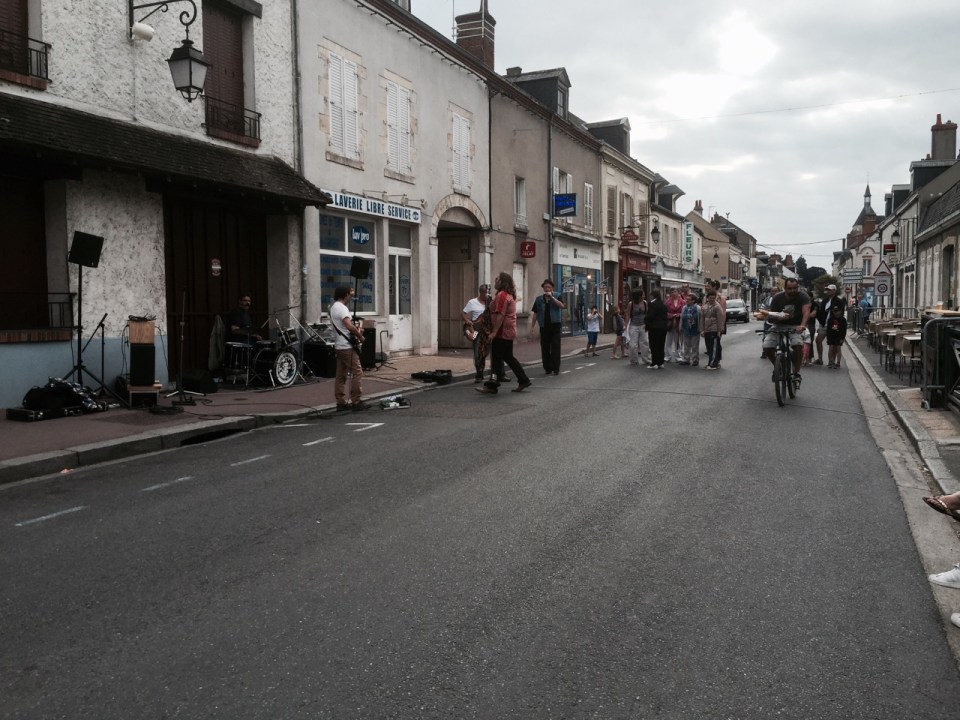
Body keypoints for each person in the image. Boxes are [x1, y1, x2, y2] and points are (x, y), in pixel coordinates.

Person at [477, 272, 531, 395]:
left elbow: (500, 315)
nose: (495, 281)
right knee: (508, 357)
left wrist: (494, 332)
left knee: (496, 359)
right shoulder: (506, 295)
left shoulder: (502, 295)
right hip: (508, 331)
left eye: (497, 279)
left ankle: (492, 385)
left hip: (502, 332)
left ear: (502, 282)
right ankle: (523, 380)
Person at [761, 278, 811, 384]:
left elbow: (806, 312)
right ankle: (778, 366)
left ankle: (796, 372)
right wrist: (773, 317)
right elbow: (772, 315)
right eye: (790, 288)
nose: (792, 290)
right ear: (785, 288)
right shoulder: (777, 297)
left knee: (797, 345)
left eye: (795, 288)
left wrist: (802, 325)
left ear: (798, 287)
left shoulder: (803, 296)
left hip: (796, 326)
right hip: (778, 325)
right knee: (767, 346)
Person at [330, 285, 369, 411]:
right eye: (349, 295)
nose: (350, 298)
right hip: (347, 346)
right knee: (357, 372)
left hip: (339, 346)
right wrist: (360, 336)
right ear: (345, 295)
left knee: (341, 375)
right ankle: (356, 401)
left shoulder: (333, 307)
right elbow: (348, 326)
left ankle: (340, 402)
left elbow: (342, 327)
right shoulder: (342, 308)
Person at [529, 279, 565, 375]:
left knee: (555, 347)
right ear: (543, 289)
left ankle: (556, 368)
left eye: (549, 287)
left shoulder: (557, 295)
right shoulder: (539, 299)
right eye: (545, 287)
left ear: (552, 288)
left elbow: (561, 306)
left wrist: (552, 298)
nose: (547, 289)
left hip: (555, 325)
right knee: (545, 348)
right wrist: (532, 327)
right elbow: (535, 313)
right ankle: (547, 368)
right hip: (544, 326)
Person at [461, 283, 491, 383]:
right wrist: (467, 321)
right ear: (481, 292)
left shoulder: (490, 302)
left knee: (485, 351)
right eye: (486, 293)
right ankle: (479, 374)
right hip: (476, 329)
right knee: (477, 352)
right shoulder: (472, 302)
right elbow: (463, 313)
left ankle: (483, 370)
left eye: (488, 293)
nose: (487, 295)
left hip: (487, 330)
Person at [814, 284, 844, 365]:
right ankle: (820, 359)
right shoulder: (825, 300)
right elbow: (821, 312)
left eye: (830, 290)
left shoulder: (839, 301)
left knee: (833, 344)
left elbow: (841, 313)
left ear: (834, 291)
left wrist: (838, 325)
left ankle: (832, 361)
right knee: (818, 340)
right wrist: (819, 319)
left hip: (833, 324)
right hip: (824, 324)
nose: (828, 291)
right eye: (827, 289)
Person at [625, 288, 651, 366]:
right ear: (638, 296)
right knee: (633, 345)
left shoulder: (645, 303)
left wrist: (648, 324)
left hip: (643, 325)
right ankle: (634, 360)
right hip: (633, 326)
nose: (644, 296)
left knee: (645, 342)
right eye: (643, 295)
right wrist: (625, 325)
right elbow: (628, 315)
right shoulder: (631, 304)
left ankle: (646, 359)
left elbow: (647, 314)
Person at [700, 290, 725, 370]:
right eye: (710, 298)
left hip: (714, 329)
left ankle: (713, 363)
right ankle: (711, 362)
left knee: (714, 347)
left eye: (713, 298)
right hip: (707, 330)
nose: (712, 299)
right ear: (707, 298)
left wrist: (719, 330)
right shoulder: (704, 307)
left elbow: (720, 319)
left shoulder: (717, 307)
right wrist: (702, 330)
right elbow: (702, 319)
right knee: (709, 347)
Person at [645, 291, 668, 369]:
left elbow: (650, 316)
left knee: (654, 345)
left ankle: (654, 362)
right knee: (661, 345)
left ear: (653, 296)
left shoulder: (652, 304)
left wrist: (646, 321)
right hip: (663, 327)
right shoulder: (664, 304)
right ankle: (660, 362)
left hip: (654, 327)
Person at [678, 292, 700, 365]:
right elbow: (682, 317)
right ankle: (686, 359)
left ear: (693, 300)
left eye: (688, 300)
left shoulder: (698, 308)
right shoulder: (684, 308)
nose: (686, 301)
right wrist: (680, 326)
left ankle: (695, 359)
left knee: (694, 346)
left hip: (695, 329)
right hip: (686, 328)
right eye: (686, 299)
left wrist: (700, 328)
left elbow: (700, 318)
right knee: (686, 345)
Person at [664, 287, 685, 362]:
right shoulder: (667, 302)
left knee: (678, 340)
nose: (673, 293)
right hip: (670, 323)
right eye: (672, 292)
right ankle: (667, 356)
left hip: (679, 323)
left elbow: (685, 312)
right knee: (668, 340)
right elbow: (664, 312)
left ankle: (678, 356)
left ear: (678, 292)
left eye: (675, 291)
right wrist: (672, 315)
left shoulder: (683, 302)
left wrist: (679, 315)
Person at [826, 304, 847, 368]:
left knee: (838, 348)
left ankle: (838, 362)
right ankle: (830, 361)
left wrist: (842, 338)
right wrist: (828, 337)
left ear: (840, 311)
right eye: (834, 311)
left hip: (839, 335)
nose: (836, 313)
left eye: (837, 311)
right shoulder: (830, 319)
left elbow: (844, 330)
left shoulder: (843, 319)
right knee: (831, 348)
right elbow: (828, 329)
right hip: (832, 335)